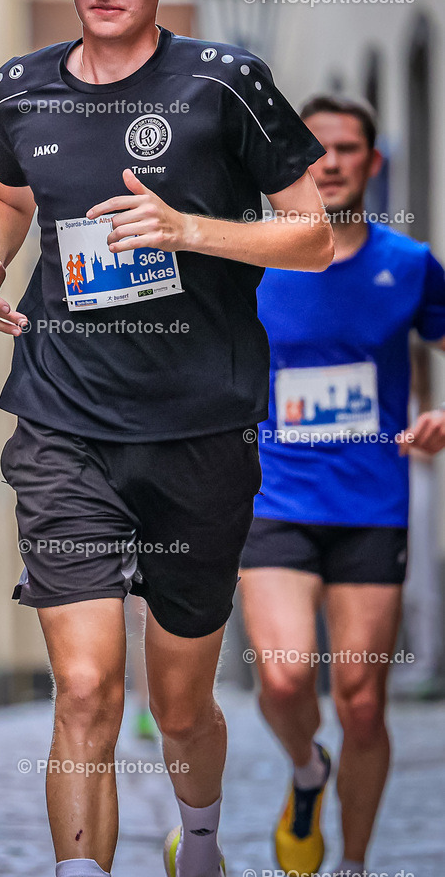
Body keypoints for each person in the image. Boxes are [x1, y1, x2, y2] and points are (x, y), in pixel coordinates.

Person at [0, 0, 333, 877]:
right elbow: (7, 192)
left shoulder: (222, 83)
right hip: (62, 418)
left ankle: (199, 841)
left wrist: (187, 230)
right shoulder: (19, 86)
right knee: (84, 689)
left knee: (178, 703)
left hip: (199, 425)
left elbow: (317, 236)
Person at [239, 94, 445, 877]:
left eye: (347, 149)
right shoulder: (252, 260)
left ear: (373, 162)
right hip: (275, 499)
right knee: (287, 677)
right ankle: (305, 770)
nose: (329, 162)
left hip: (372, 508)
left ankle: (353, 863)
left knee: (362, 701)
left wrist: (439, 419)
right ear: (292, 160)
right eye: (313, 148)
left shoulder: (409, 265)